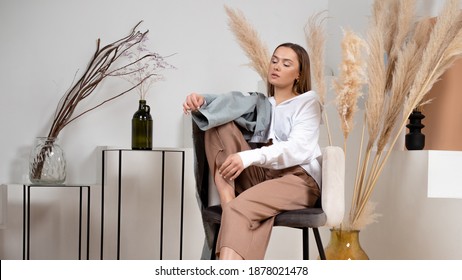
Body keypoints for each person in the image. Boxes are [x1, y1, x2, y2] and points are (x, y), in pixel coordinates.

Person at [183, 42, 322, 260]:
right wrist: (202, 100)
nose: (276, 67)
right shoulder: (262, 103)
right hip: (263, 177)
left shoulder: (308, 102)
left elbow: (297, 149)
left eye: (286, 64)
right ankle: (228, 198)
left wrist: (248, 157)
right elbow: (230, 102)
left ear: (299, 73)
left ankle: (232, 212)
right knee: (217, 122)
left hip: (298, 180)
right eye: (274, 61)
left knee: (239, 210)